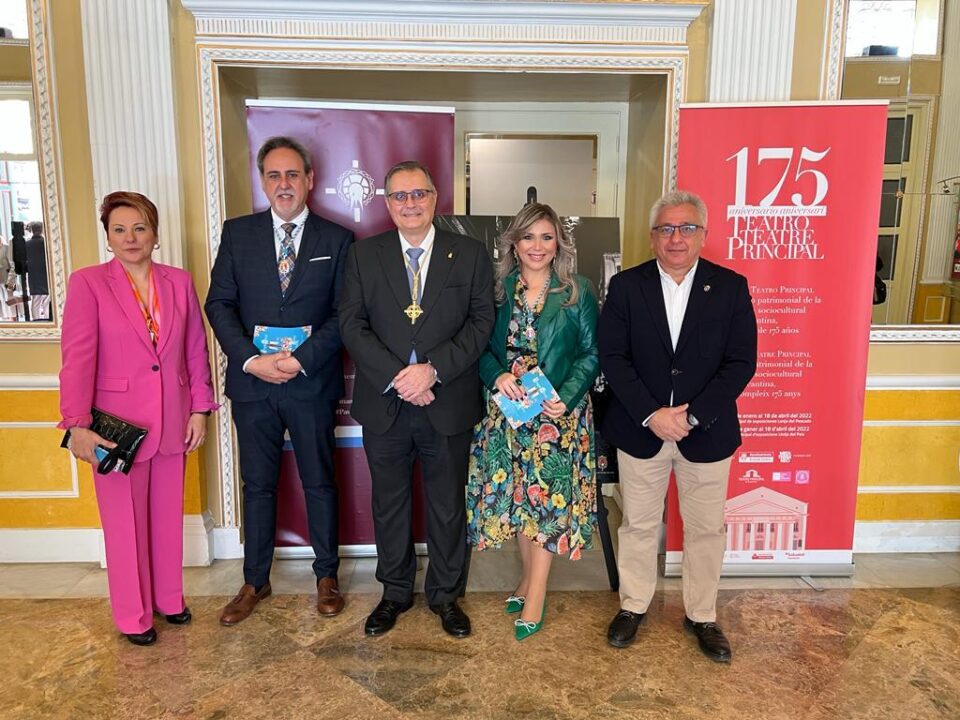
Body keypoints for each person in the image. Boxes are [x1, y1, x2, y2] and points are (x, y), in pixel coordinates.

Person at [597, 190, 756, 662]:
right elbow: (613, 357)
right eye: (666, 228)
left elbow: (741, 362)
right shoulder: (626, 287)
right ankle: (633, 606)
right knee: (638, 525)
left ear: (703, 234)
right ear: (652, 237)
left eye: (687, 228)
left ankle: (702, 615)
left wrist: (690, 415)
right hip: (640, 429)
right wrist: (653, 414)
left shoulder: (730, 287)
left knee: (706, 529)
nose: (676, 237)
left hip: (706, 431)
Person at [339, 160, 494, 638]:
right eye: (400, 196)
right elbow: (351, 324)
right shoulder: (364, 255)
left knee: (447, 505)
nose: (411, 204)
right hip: (385, 402)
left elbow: (481, 322)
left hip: (446, 400)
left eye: (419, 194)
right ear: (387, 204)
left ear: (434, 198)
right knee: (389, 503)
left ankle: (446, 595)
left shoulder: (468, 254)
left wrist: (433, 371)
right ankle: (395, 592)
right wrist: (399, 376)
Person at [206, 136, 354, 626]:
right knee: (258, 485)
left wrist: (300, 360)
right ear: (263, 181)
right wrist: (251, 360)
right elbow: (219, 304)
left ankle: (326, 577)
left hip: (309, 382)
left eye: (292, 174)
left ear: (309, 179)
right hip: (253, 384)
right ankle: (255, 581)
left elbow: (345, 314)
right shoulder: (238, 234)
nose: (283, 184)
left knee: (319, 481)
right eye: (274, 175)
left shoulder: (337, 239)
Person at [58, 192, 218, 646]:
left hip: (173, 420)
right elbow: (77, 358)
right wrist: (76, 423)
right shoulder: (89, 283)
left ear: (155, 234)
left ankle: (169, 598)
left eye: (139, 228)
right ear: (108, 238)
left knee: (167, 518)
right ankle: (133, 614)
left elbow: (195, 351)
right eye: (120, 230)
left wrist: (200, 409)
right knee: (124, 526)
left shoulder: (178, 282)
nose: (130, 238)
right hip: (115, 429)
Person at [466, 202, 599, 641]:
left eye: (546, 237)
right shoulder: (497, 291)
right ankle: (526, 581)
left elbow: (591, 353)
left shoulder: (577, 291)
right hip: (507, 414)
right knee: (519, 501)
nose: (537, 246)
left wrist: (567, 396)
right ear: (514, 243)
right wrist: (498, 376)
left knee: (546, 504)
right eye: (528, 237)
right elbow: (479, 349)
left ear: (559, 243)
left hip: (556, 417)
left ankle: (536, 595)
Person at [25, 221, 50, 321]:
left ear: (32, 230)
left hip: (33, 276)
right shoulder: (46, 243)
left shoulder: (27, 244)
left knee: (35, 301)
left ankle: (36, 321)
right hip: (46, 274)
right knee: (47, 300)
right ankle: (48, 320)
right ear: (42, 230)